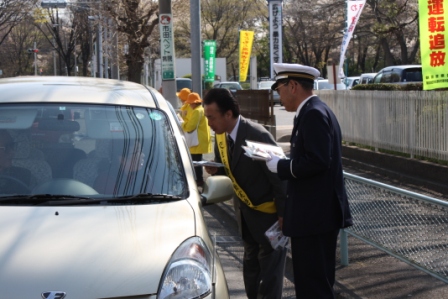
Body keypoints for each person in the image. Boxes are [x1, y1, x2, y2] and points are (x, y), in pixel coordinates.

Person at [265, 63, 353, 298]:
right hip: (315, 216)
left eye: (279, 88)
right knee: (313, 282)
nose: (279, 95)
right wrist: (284, 161)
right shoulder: (313, 110)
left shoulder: (313, 113)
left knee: (313, 286)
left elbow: (318, 160)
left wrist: (282, 166)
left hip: (315, 217)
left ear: (293, 86)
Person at [203, 88, 287, 299]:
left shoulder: (256, 136)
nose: (209, 123)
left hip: (270, 218)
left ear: (228, 114)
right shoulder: (222, 136)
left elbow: (279, 177)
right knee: (251, 267)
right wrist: (217, 169)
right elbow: (230, 168)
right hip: (246, 216)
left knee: (270, 274)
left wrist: (285, 214)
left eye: (211, 117)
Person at [182, 92, 211, 187]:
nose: (189, 105)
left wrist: (182, 124)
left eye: (190, 103)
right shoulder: (201, 109)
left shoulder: (197, 111)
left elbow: (191, 126)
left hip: (197, 139)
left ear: (194, 103)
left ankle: (199, 180)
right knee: (197, 160)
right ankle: (198, 179)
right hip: (200, 138)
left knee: (195, 161)